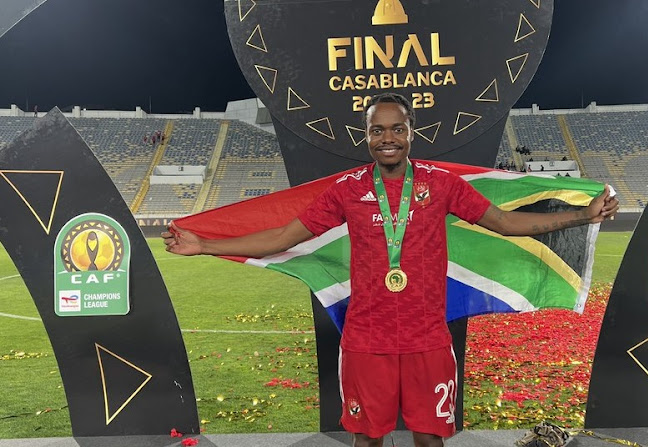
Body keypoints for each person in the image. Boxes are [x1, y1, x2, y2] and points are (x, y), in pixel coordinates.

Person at [161, 92, 618, 447]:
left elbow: (505, 222)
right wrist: (204, 245)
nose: (388, 138)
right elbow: (283, 237)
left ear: (410, 131)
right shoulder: (347, 190)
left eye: (396, 128)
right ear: (366, 135)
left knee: (429, 436)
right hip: (367, 339)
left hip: (427, 337)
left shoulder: (442, 186)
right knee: (368, 436)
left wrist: (582, 216)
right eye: (377, 130)